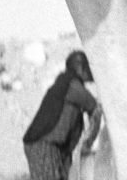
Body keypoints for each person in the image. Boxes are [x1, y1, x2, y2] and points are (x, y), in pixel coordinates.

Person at [22, 50, 102, 180]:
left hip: (50, 147)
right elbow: (95, 110)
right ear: (80, 68)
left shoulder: (64, 84)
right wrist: (88, 142)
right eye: (87, 66)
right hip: (44, 146)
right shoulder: (71, 84)